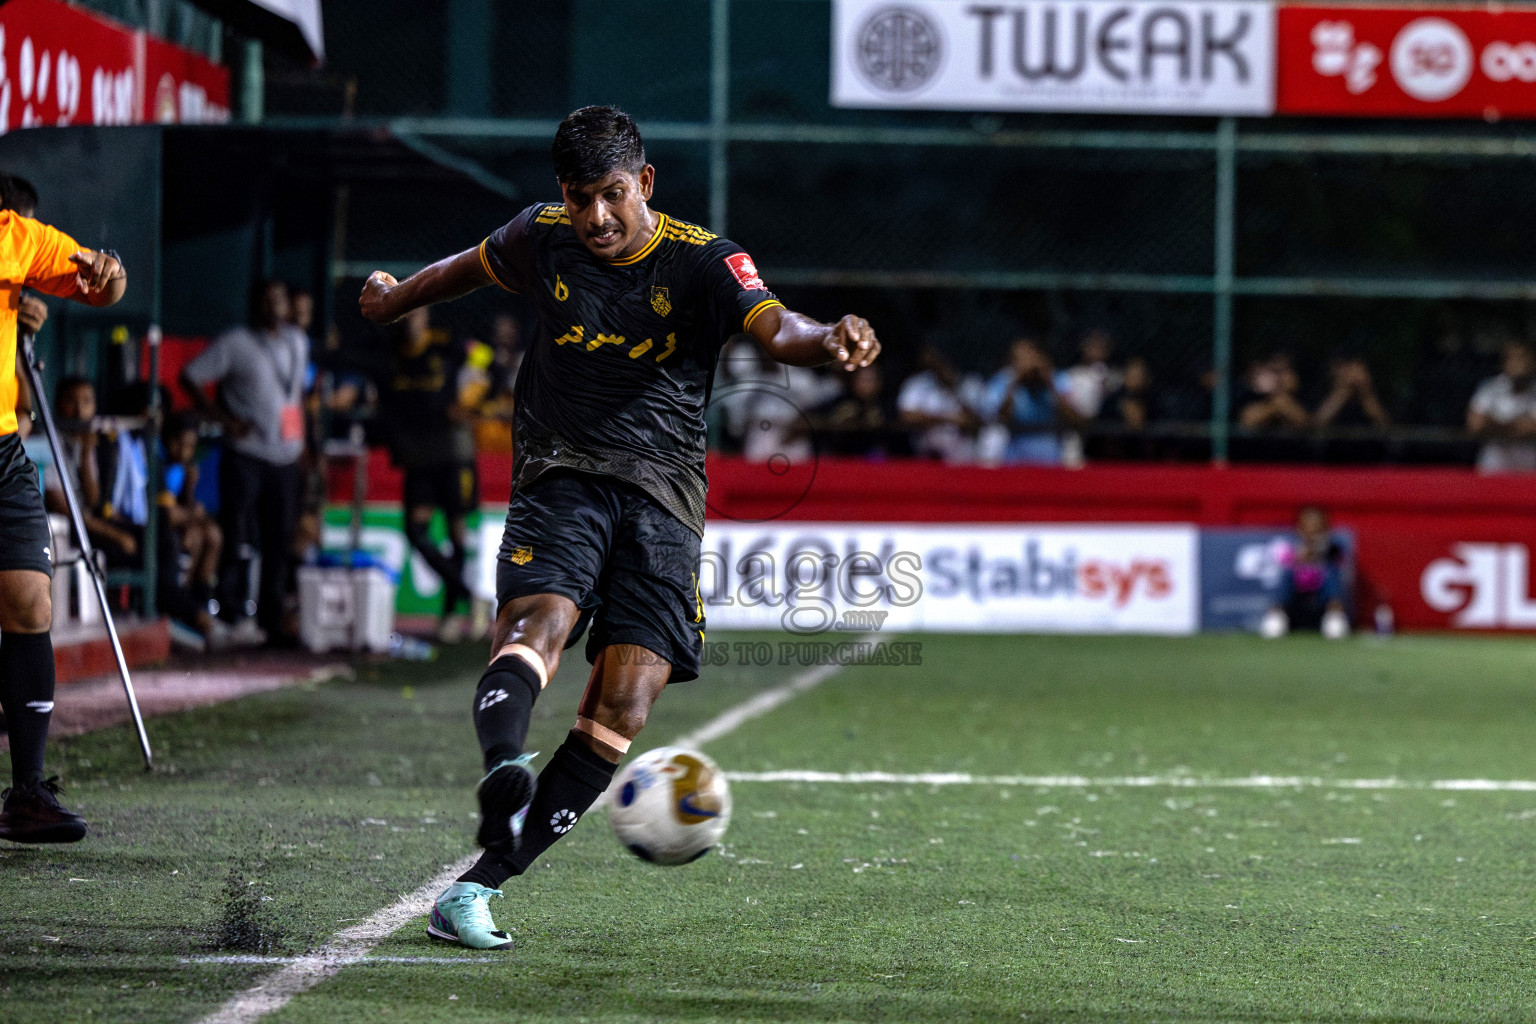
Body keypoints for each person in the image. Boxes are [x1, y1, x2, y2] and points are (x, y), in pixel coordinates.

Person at [358, 105, 878, 949]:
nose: (595, 217)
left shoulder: (705, 260)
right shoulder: (545, 234)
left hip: (666, 498)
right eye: (578, 197)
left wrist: (835, 338)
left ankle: (474, 891)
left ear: (643, 183)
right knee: (541, 622)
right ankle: (503, 767)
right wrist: (392, 301)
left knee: (624, 706)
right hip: (563, 470)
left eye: (610, 196)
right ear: (561, 193)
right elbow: (465, 269)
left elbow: (780, 328)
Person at [0, 181, 126, 843]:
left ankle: (25, 792)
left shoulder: (19, 237)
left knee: (30, 604)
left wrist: (109, 275)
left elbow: (104, 286)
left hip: (2, 449)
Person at [179, 279, 308, 645]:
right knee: (237, 534)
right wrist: (221, 418)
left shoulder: (298, 342)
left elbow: (297, 396)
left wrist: (305, 449)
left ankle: (271, 618)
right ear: (255, 305)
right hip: (246, 454)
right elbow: (190, 375)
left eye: (279, 299)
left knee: (279, 538)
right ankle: (233, 614)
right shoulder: (235, 343)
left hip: (287, 454)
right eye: (265, 300)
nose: (273, 306)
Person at [379, 306, 481, 643]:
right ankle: (470, 595)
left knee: (457, 535)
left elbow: (489, 361)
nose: (411, 321)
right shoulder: (390, 352)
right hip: (418, 457)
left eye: (417, 314)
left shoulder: (447, 343)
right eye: (405, 314)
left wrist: (475, 402)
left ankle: (451, 615)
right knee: (416, 531)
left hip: (453, 453)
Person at [1260, 506, 1351, 640]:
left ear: (1325, 528)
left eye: (1317, 527)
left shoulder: (1333, 547)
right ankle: (1276, 616)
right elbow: (1283, 561)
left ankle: (1334, 617)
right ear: (1300, 528)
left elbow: (1340, 562)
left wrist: (1319, 554)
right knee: (1286, 575)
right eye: (1308, 526)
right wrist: (1300, 556)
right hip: (1295, 601)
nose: (1312, 530)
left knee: (1330, 574)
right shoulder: (1290, 546)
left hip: (1321, 600)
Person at [982, 337, 1077, 466]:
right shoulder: (1004, 380)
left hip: (1051, 452)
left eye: (1030, 357)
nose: (1027, 364)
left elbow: (1074, 419)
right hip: (1014, 453)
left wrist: (1049, 384)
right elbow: (1000, 418)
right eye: (1020, 359)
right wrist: (1015, 383)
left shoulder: (1059, 379)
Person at [897, 345, 982, 463]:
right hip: (926, 447)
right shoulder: (919, 383)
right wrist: (947, 419)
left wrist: (953, 389)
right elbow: (906, 417)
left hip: (961, 451)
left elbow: (977, 423)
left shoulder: (970, 383)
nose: (944, 366)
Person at [1466, 339, 1536, 473]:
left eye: (1523, 358)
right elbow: (1475, 425)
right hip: (1494, 468)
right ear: (1504, 362)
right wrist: (1520, 426)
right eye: (1513, 358)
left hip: (1529, 469)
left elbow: (1533, 428)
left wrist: (1495, 424)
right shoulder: (1490, 388)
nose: (1519, 364)